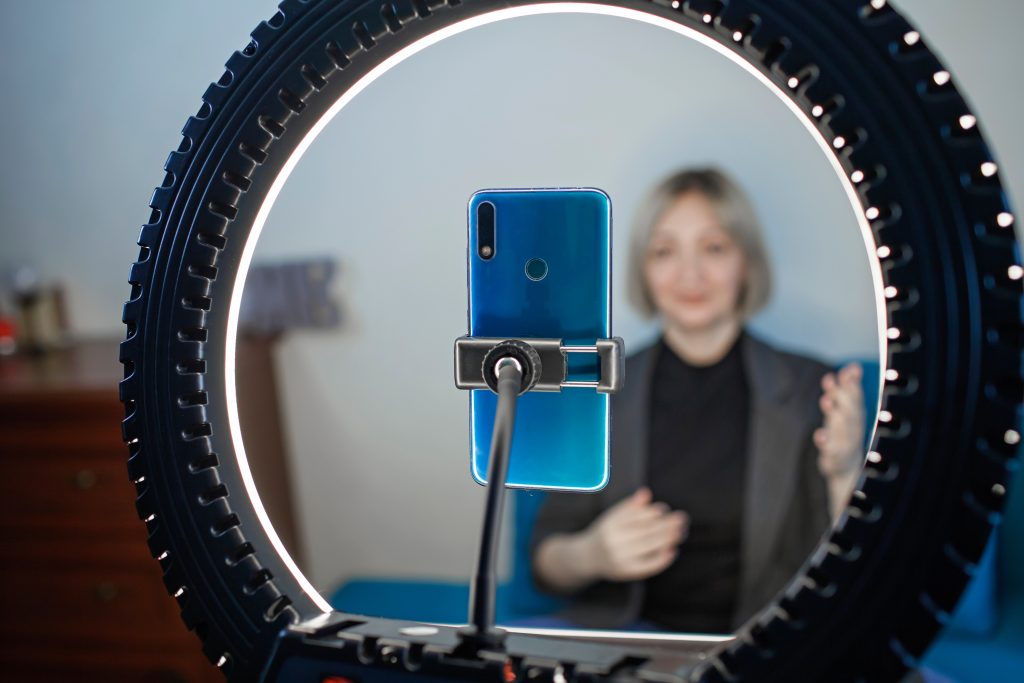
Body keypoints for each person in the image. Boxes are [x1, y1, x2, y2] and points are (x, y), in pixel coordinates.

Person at [529, 168, 866, 634]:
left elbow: (855, 570)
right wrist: (594, 553)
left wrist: (846, 471)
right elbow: (544, 562)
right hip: (629, 643)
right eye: (665, 251)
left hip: (765, 649)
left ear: (745, 262)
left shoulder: (813, 387)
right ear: (643, 271)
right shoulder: (599, 387)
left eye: (714, 248)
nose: (691, 274)